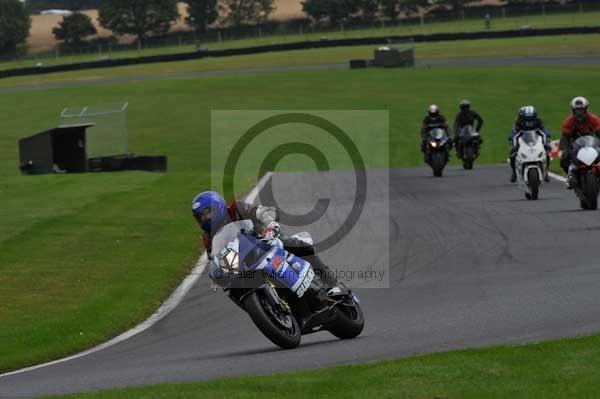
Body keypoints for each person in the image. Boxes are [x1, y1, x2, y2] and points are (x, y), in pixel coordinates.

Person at [192, 191, 339, 290]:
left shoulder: (236, 209)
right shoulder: (207, 237)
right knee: (234, 289)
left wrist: (270, 226)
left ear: (217, 206)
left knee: (298, 245)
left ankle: (331, 283)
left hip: (265, 241)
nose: (205, 218)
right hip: (242, 263)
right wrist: (217, 274)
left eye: (207, 212)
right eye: (201, 216)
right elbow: (214, 259)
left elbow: (263, 212)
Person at [560, 97, 600, 188]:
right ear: (573, 110)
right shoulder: (568, 121)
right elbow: (565, 138)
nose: (579, 113)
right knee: (564, 158)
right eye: (577, 110)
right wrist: (566, 150)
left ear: (586, 109)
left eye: (581, 110)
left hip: (592, 145)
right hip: (576, 146)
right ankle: (570, 177)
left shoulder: (594, 119)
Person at [508, 106, 551, 183]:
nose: (529, 121)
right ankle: (514, 171)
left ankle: (545, 170)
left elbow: (544, 132)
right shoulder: (518, 123)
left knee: (546, 154)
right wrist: (514, 146)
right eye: (526, 119)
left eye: (531, 118)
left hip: (536, 141)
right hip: (522, 142)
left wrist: (546, 143)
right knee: (513, 155)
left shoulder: (538, 122)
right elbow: (513, 134)